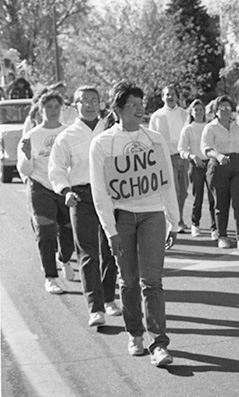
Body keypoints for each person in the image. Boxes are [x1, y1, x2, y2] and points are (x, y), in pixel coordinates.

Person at [89, 80, 179, 367]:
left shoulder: (155, 139)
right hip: (122, 218)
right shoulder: (102, 143)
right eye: (133, 106)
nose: (140, 110)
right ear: (118, 110)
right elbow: (100, 192)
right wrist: (110, 231)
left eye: (142, 105)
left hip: (153, 215)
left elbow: (167, 182)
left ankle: (159, 343)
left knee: (152, 281)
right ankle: (135, 334)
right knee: (128, 280)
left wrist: (174, 220)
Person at [49, 86, 121, 325]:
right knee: (87, 252)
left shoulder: (111, 131)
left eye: (94, 100)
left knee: (111, 248)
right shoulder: (66, 136)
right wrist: (65, 191)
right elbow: (57, 169)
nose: (90, 105)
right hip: (81, 196)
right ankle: (95, 309)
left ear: (101, 103)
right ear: (76, 105)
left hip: (110, 194)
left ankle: (109, 299)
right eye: (84, 101)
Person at [17, 90, 75, 295]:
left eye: (56, 107)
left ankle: (64, 259)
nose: (53, 111)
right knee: (45, 232)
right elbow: (25, 170)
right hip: (41, 187)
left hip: (65, 187)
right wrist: (27, 156)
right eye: (48, 107)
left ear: (62, 109)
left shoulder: (69, 132)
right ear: (41, 110)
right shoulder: (31, 136)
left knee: (68, 231)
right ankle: (50, 277)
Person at [201, 96, 239, 251]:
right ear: (216, 110)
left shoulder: (237, 127)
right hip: (219, 164)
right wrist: (218, 155)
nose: (225, 110)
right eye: (221, 108)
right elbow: (206, 148)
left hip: (238, 165)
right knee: (221, 203)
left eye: (228, 107)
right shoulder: (211, 127)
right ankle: (222, 235)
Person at [149, 85, 190, 232]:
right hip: (166, 158)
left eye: (173, 94)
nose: (170, 97)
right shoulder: (156, 116)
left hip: (183, 157)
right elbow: (152, 139)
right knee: (173, 190)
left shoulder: (185, 114)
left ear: (177, 97)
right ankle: (174, 222)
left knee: (183, 192)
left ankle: (180, 218)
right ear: (162, 97)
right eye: (167, 94)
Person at [178, 99, 217, 239]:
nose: (199, 112)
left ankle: (215, 227)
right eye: (196, 110)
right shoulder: (188, 129)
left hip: (211, 164)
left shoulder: (210, 127)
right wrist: (192, 156)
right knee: (198, 197)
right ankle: (195, 224)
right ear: (191, 112)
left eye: (201, 109)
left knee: (213, 198)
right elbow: (181, 149)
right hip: (196, 166)